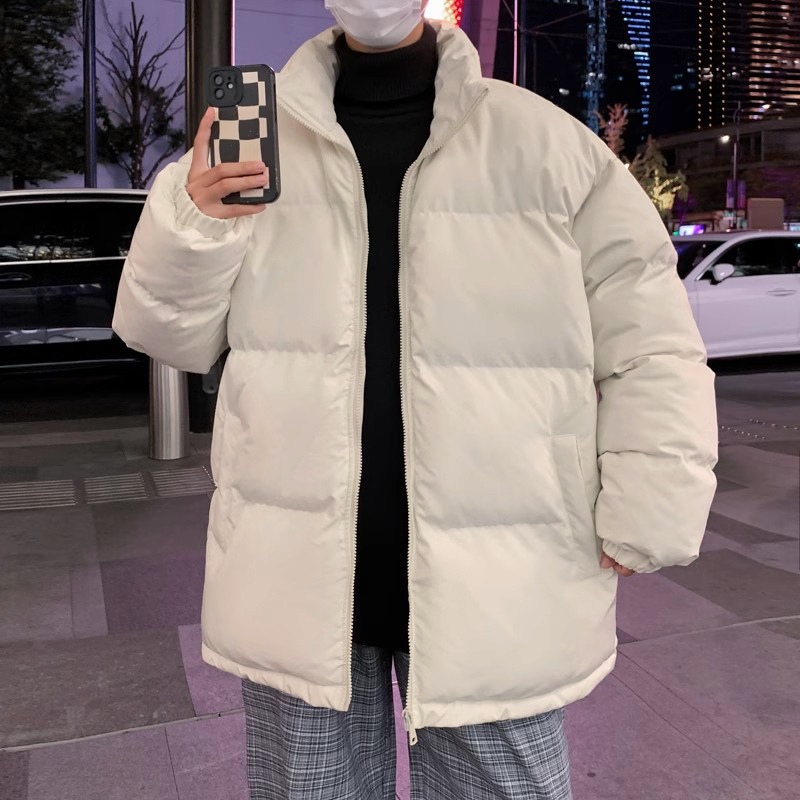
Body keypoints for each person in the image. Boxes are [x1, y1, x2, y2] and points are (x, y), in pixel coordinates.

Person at [111, 2, 719, 798]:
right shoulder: (249, 148)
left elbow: (651, 342)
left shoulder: (546, 145)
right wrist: (196, 224)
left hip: (503, 571)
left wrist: (651, 502)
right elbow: (165, 334)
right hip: (295, 573)